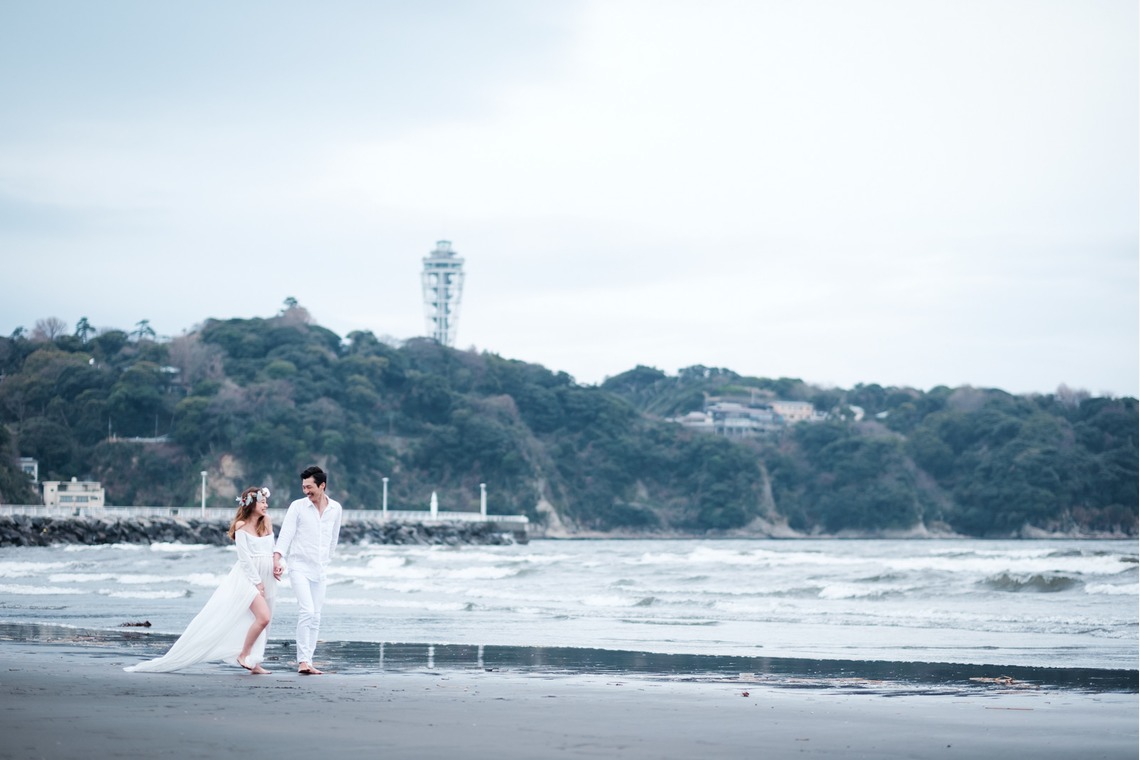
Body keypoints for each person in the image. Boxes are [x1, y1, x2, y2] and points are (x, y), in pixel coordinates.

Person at [125, 486, 278, 674]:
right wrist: (257, 581)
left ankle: (254, 662)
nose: (266, 505)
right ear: (251, 504)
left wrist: (278, 565)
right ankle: (243, 654)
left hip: (268, 575)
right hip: (248, 578)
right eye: (262, 502)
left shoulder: (267, 522)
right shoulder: (241, 526)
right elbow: (244, 558)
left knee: (259, 621)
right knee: (263, 617)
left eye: (265, 502)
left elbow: (272, 549)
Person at [273, 465, 342, 675]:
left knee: (317, 616)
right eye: (303, 487)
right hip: (299, 566)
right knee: (307, 611)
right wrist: (277, 557)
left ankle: (309, 661)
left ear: (322, 486)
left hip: (320, 569)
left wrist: (327, 559)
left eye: (309, 487)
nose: (306, 491)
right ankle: (302, 660)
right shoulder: (298, 506)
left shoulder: (335, 509)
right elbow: (286, 534)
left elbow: (334, 538)